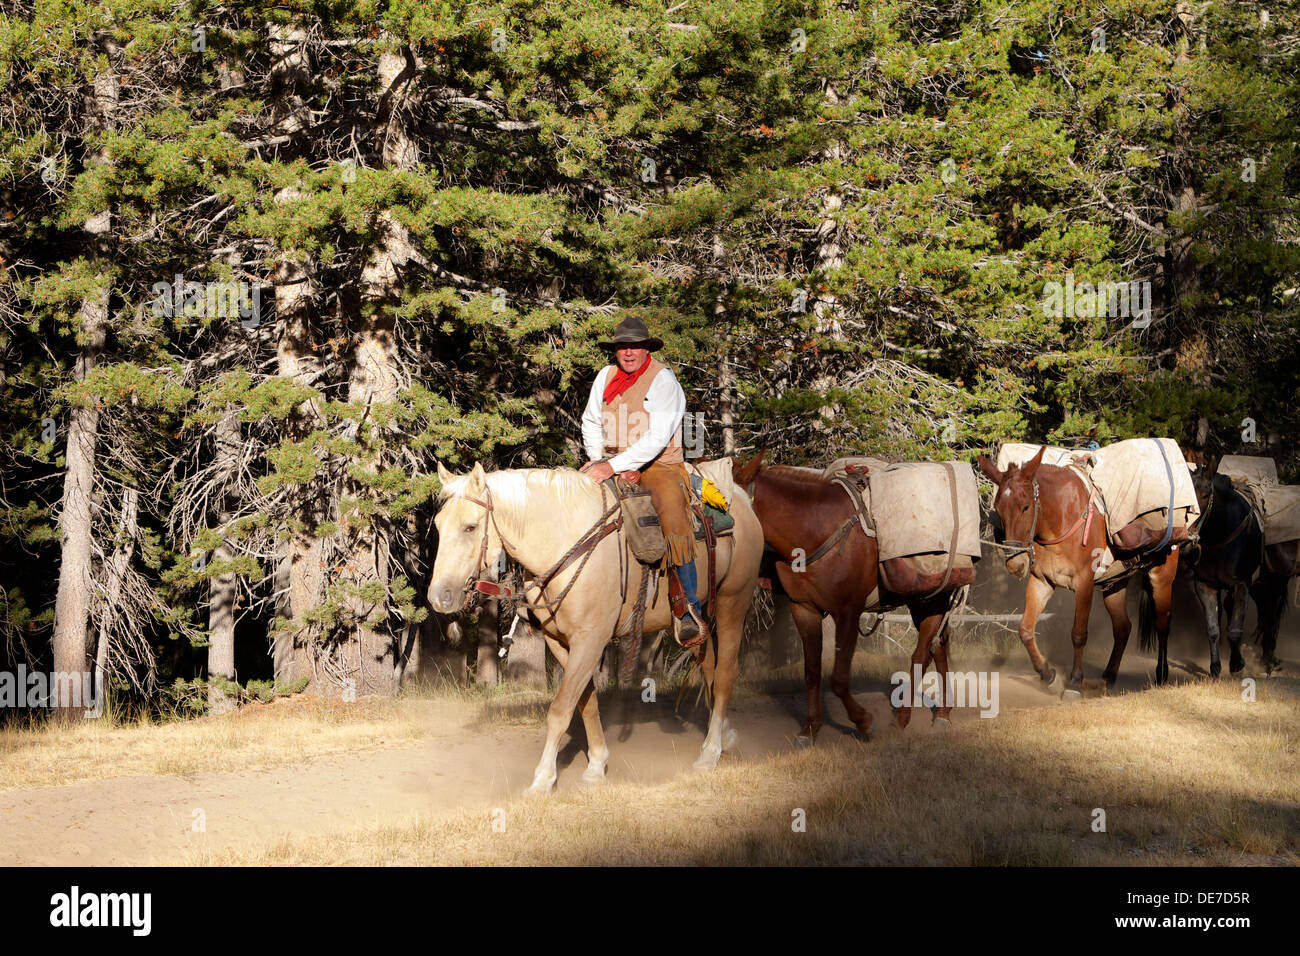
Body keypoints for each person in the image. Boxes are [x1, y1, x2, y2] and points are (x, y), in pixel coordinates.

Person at [579, 316, 708, 647]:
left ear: (646, 348)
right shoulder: (605, 377)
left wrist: (614, 467)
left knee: (673, 517)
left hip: (658, 464)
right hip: (610, 461)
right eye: (622, 346)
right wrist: (597, 459)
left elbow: (657, 437)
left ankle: (687, 609)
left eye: (635, 345)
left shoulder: (662, 380)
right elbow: (591, 420)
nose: (628, 352)